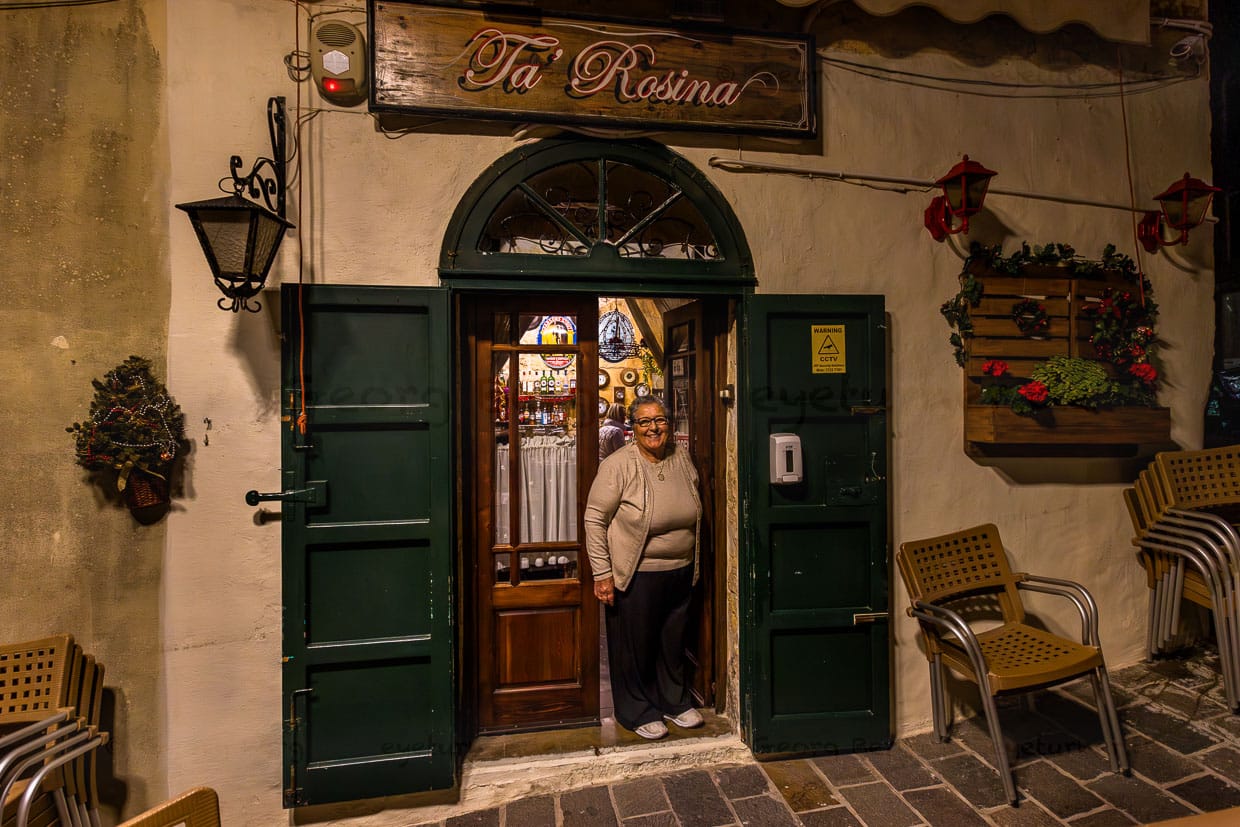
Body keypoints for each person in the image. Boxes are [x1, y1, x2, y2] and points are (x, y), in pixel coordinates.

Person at [584, 396, 703, 740]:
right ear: (632, 428)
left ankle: (675, 702)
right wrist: (602, 573)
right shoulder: (618, 465)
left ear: (669, 423)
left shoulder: (681, 457)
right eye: (644, 422)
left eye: (660, 420)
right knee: (634, 647)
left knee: (671, 642)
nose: (653, 428)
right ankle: (635, 710)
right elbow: (595, 519)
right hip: (636, 572)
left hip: (681, 568)